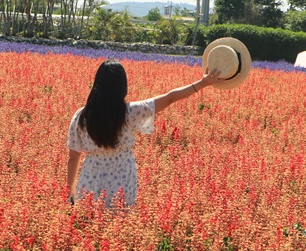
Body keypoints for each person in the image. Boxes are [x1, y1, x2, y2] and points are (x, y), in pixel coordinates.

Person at [66, 60, 224, 209]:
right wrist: (203, 83)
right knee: (119, 228)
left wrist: (71, 193)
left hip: (89, 183)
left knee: (89, 225)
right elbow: (170, 97)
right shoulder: (130, 112)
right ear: (122, 87)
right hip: (121, 182)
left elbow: (73, 158)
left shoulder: (81, 116)